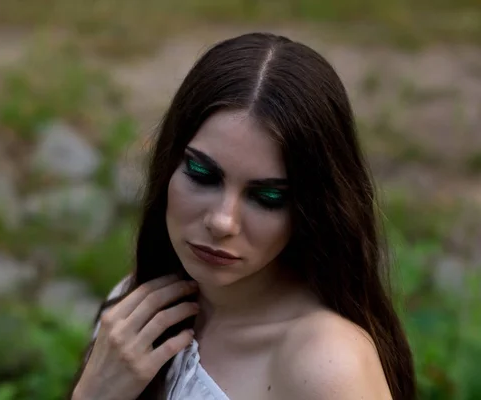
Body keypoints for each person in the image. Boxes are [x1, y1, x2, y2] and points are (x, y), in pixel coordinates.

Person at [70, 32, 416, 400]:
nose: (222, 221)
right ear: (169, 164)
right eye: (202, 175)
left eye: (267, 197)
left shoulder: (328, 364)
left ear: (311, 210)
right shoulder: (137, 313)